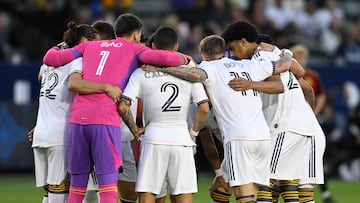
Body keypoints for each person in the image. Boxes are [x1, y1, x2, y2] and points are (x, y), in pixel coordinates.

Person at [42, 13, 190, 203]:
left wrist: (58, 45)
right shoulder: (134, 50)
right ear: (136, 35)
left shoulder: (90, 45)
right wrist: (185, 60)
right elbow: (165, 57)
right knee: (108, 188)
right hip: (104, 121)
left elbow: (51, 58)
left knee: (77, 189)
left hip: (77, 121)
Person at [146, 34, 292, 202]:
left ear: (204, 56)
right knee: (253, 194)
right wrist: (286, 52)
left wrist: (161, 69)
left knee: (243, 195)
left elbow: (195, 75)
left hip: (239, 137)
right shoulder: (248, 64)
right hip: (263, 137)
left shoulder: (209, 67)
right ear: (225, 52)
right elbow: (283, 65)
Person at [29, 22, 121, 203]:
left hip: (42, 132)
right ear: (86, 41)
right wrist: (105, 87)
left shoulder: (48, 64)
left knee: (50, 191)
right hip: (62, 134)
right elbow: (74, 84)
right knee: (62, 189)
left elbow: (44, 83)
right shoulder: (78, 61)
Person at [118, 29, 210, 203]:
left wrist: (135, 131)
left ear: (153, 46)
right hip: (182, 140)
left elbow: (123, 107)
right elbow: (204, 108)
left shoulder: (142, 72)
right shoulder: (190, 74)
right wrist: (193, 133)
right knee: (183, 196)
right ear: (176, 47)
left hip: (153, 139)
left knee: (148, 195)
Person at [291, 44, 336, 203]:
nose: (302, 59)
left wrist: (314, 111)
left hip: (308, 121)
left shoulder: (312, 76)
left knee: (314, 159)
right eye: (299, 56)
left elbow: (320, 94)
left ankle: (323, 193)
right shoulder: (287, 74)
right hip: (292, 122)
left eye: (303, 56)